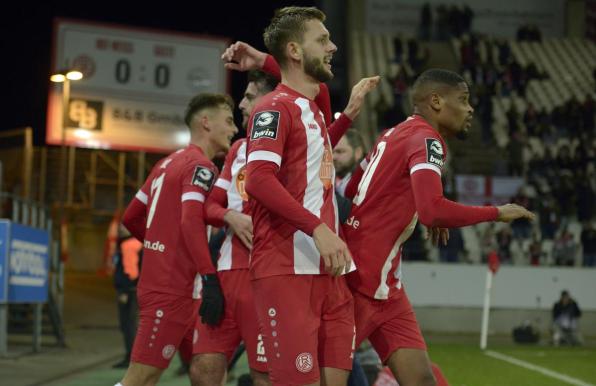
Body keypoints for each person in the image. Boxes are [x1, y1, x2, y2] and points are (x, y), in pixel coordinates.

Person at [343, 69, 534, 386]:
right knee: (319, 377)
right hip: (360, 283)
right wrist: (496, 212)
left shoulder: (392, 134)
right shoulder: (429, 140)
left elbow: (351, 188)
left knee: (422, 381)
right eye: (463, 99)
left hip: (384, 286)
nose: (470, 108)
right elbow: (433, 211)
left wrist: (417, 208)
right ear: (435, 101)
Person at [221, 39, 374, 386]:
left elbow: (315, 94)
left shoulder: (313, 111)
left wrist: (348, 114)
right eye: (322, 39)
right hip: (286, 266)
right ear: (294, 49)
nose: (334, 46)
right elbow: (259, 181)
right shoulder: (274, 108)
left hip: (329, 270)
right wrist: (319, 229)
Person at [116, 93, 238, 386]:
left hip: (182, 292)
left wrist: (161, 247)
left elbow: (131, 218)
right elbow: (190, 220)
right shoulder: (201, 167)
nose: (234, 130)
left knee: (208, 374)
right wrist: (209, 276)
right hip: (173, 291)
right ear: (206, 123)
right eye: (229, 121)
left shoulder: (165, 164)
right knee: (141, 379)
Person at [190, 70, 279, 386]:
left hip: (269, 279)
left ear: (270, 101)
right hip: (227, 277)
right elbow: (209, 206)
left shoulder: (295, 145)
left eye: (250, 96)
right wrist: (230, 216)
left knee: (265, 377)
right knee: (203, 368)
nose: (241, 103)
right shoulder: (239, 149)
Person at [112, 223, 142, 369]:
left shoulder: (128, 245)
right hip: (133, 289)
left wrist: (125, 290)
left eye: (124, 227)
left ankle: (131, 357)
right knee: (132, 324)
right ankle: (133, 356)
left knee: (127, 325)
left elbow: (131, 271)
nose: (120, 229)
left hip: (128, 290)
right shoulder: (136, 243)